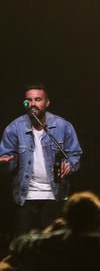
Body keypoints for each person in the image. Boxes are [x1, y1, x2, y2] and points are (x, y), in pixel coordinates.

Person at [0, 83, 83, 236]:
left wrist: (70, 165)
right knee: (25, 246)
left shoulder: (63, 126)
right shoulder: (14, 128)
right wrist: (5, 163)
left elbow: (75, 154)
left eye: (38, 99)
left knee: (53, 248)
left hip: (55, 196)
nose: (33, 104)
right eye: (29, 100)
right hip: (26, 197)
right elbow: (7, 161)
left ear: (47, 102)